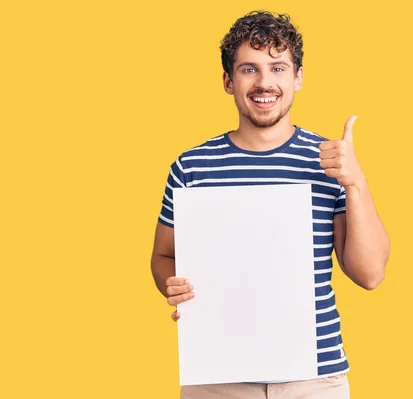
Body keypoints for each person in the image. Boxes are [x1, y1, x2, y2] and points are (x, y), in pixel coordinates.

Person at [150, 10, 390, 399]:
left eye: (278, 68)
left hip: (314, 380)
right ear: (229, 81)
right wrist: (173, 287)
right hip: (216, 377)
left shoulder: (330, 161)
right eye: (249, 69)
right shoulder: (191, 167)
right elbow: (163, 257)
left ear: (298, 77)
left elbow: (369, 275)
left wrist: (356, 182)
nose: (265, 83)